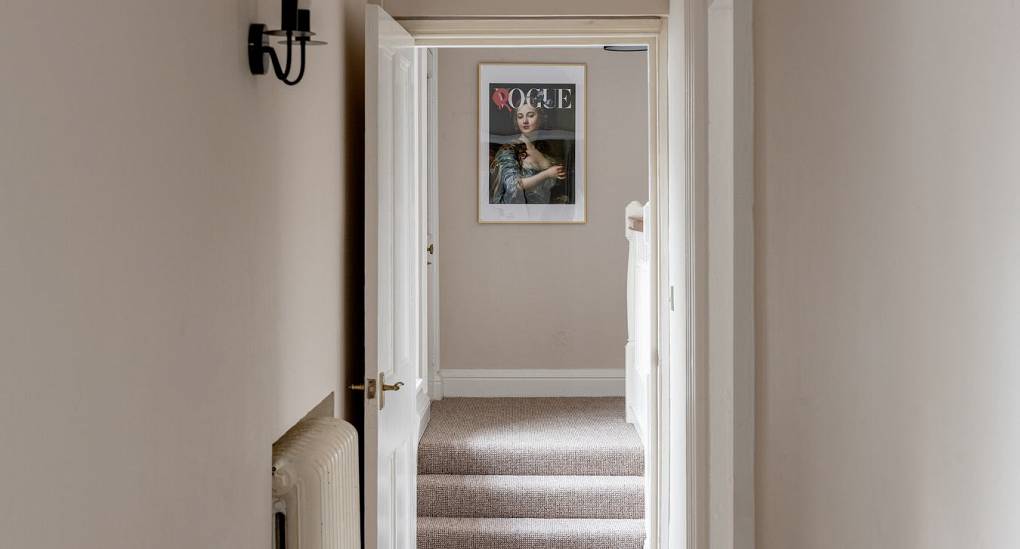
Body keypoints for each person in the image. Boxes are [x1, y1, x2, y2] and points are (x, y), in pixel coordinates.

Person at [489, 101, 567, 204]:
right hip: (517, 214)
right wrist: (547, 174)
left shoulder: (545, 149)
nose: (525, 121)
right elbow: (513, 186)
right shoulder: (509, 150)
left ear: (541, 118)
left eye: (530, 115)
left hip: (544, 214)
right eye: (520, 117)